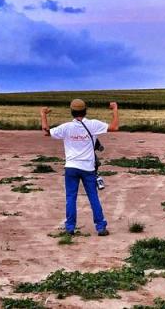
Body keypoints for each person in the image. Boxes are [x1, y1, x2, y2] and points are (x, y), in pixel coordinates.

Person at [41, 99, 118, 236]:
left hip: (71, 167)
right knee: (93, 196)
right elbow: (114, 127)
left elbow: (46, 132)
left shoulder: (66, 127)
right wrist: (114, 109)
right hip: (88, 167)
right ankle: (100, 227)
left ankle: (70, 227)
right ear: (85, 110)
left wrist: (43, 114)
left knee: (71, 197)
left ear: (72, 112)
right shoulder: (93, 125)